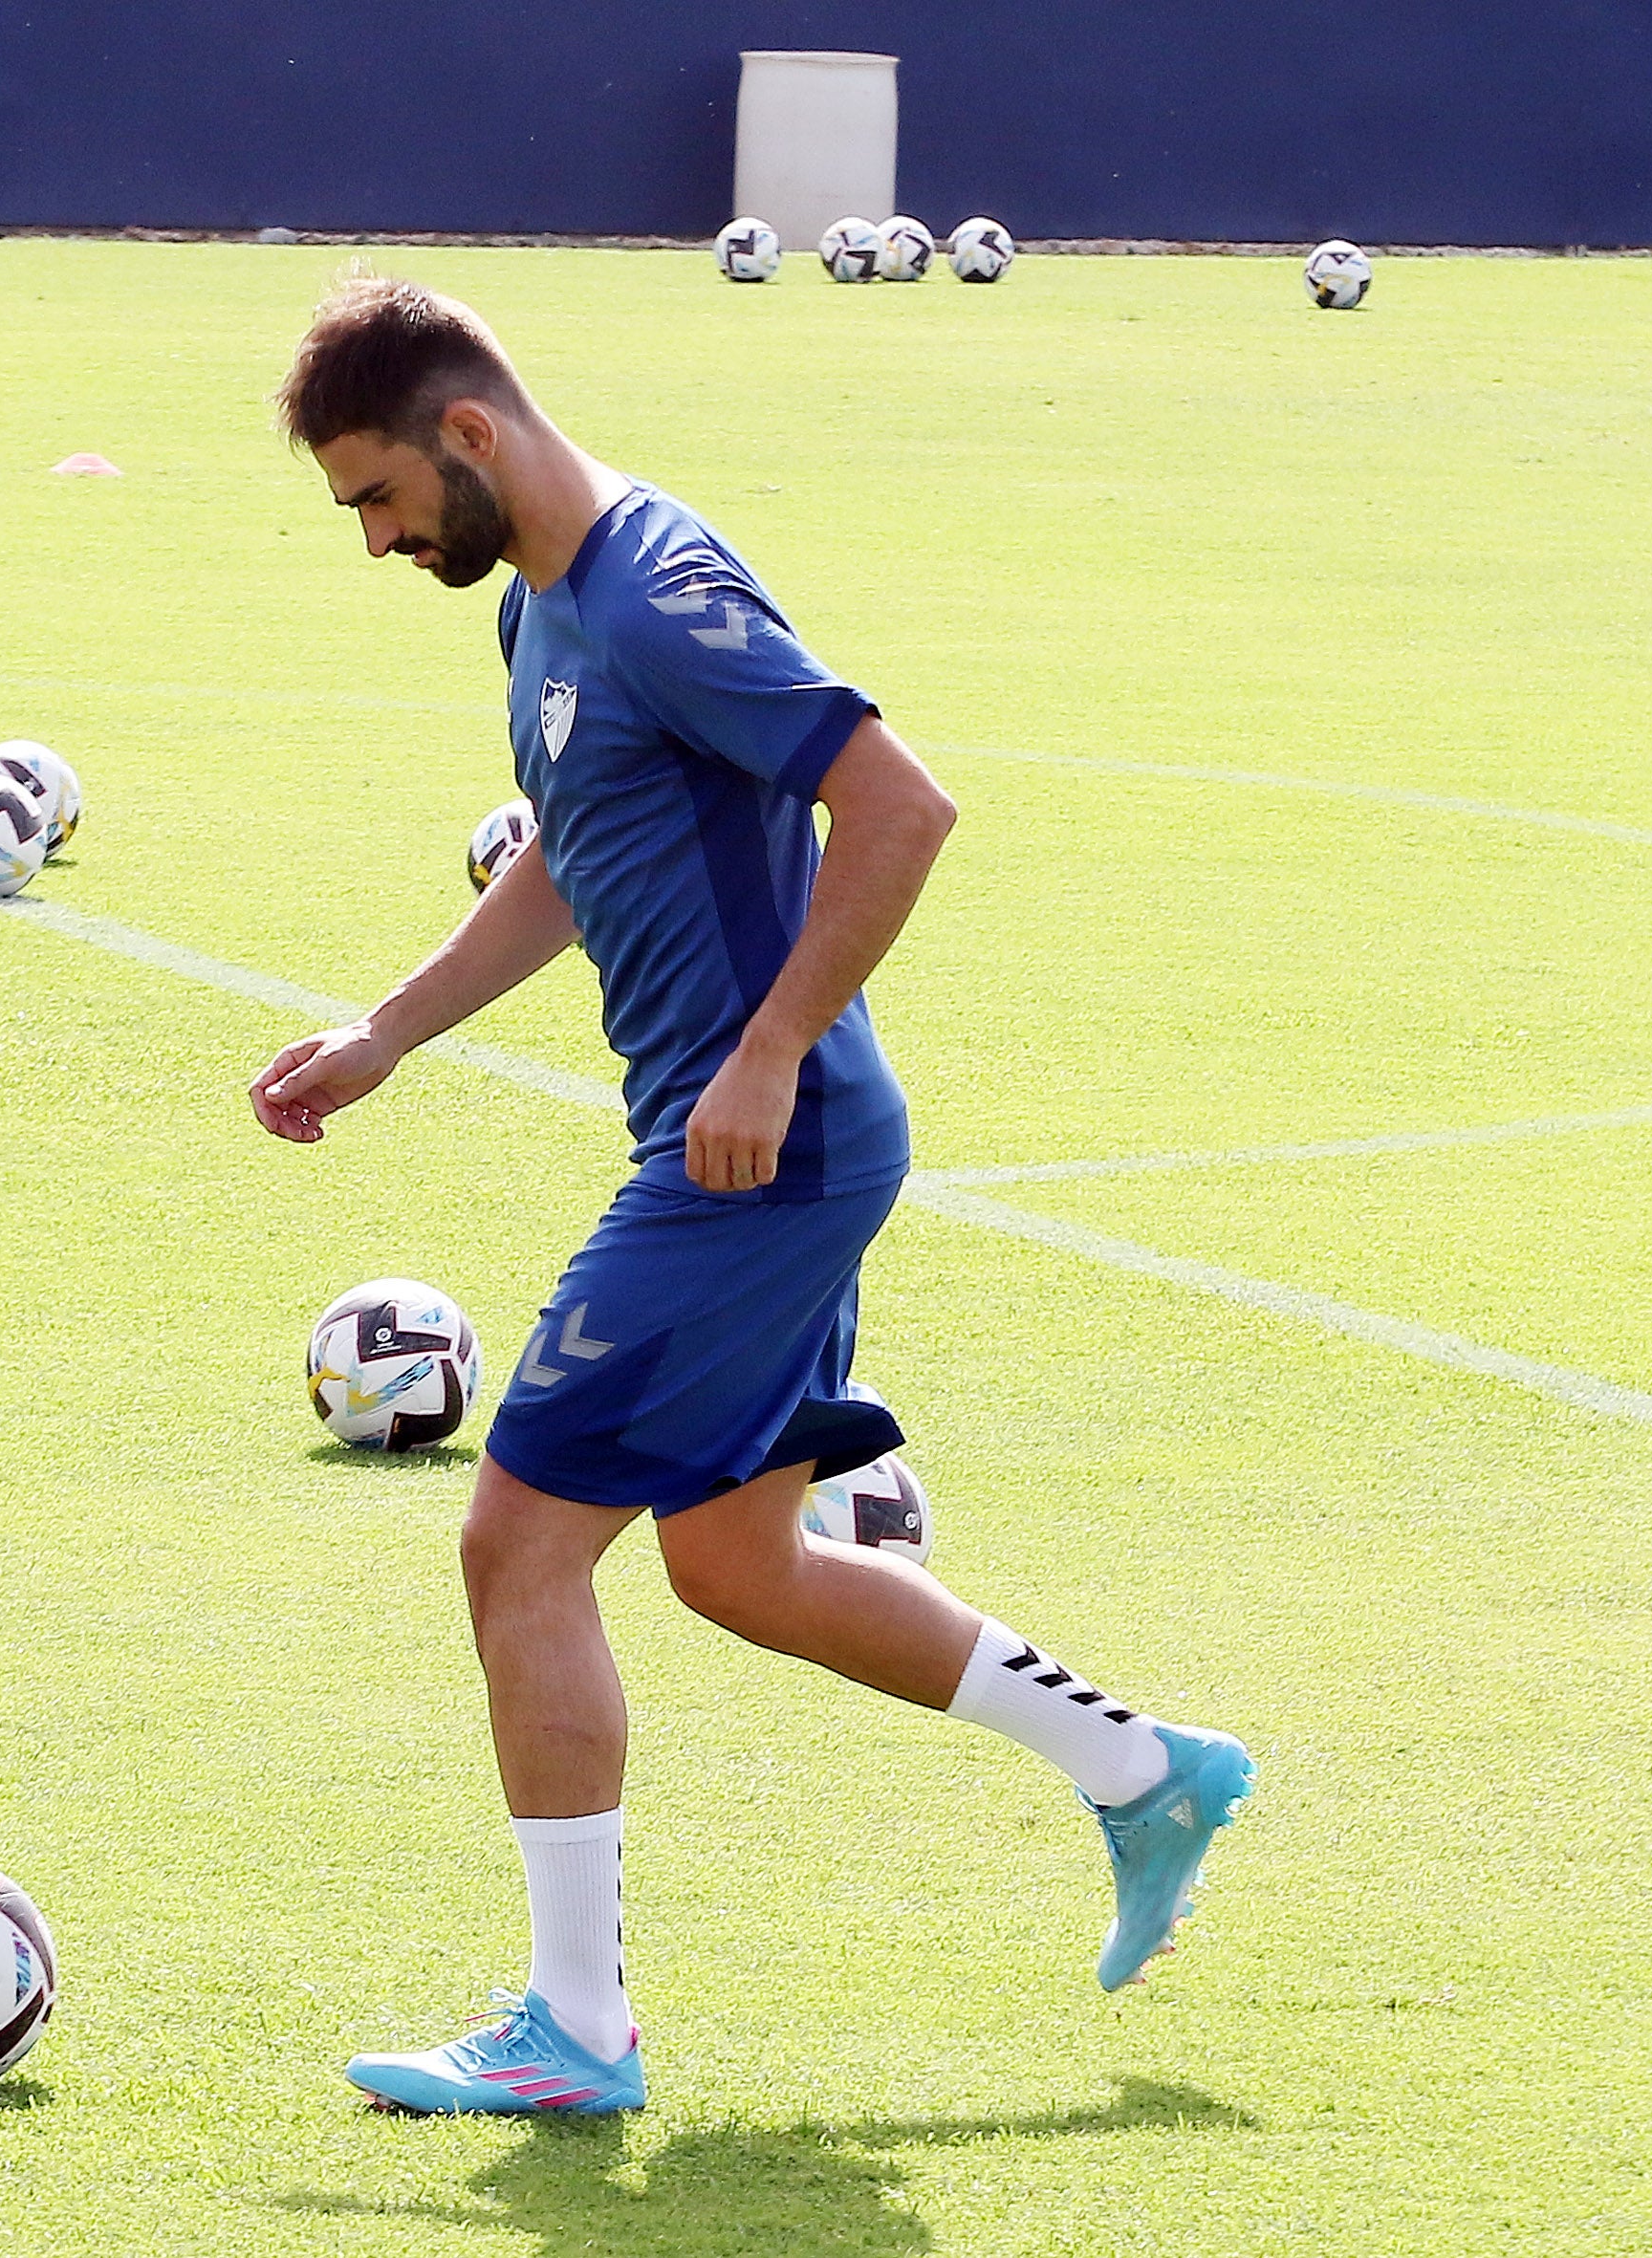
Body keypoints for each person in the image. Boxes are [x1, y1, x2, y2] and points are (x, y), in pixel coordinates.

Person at [251, 272, 1252, 2117]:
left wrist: (777, 1043)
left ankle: (577, 2028)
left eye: (378, 498)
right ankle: (1144, 1774)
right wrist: (389, 1031)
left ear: (467, 434)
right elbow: (577, 853)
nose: (378, 541)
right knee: (730, 1561)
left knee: (515, 1548)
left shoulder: (659, 592)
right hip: (745, 1141)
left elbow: (902, 806)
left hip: (754, 1154)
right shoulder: (548, 611)